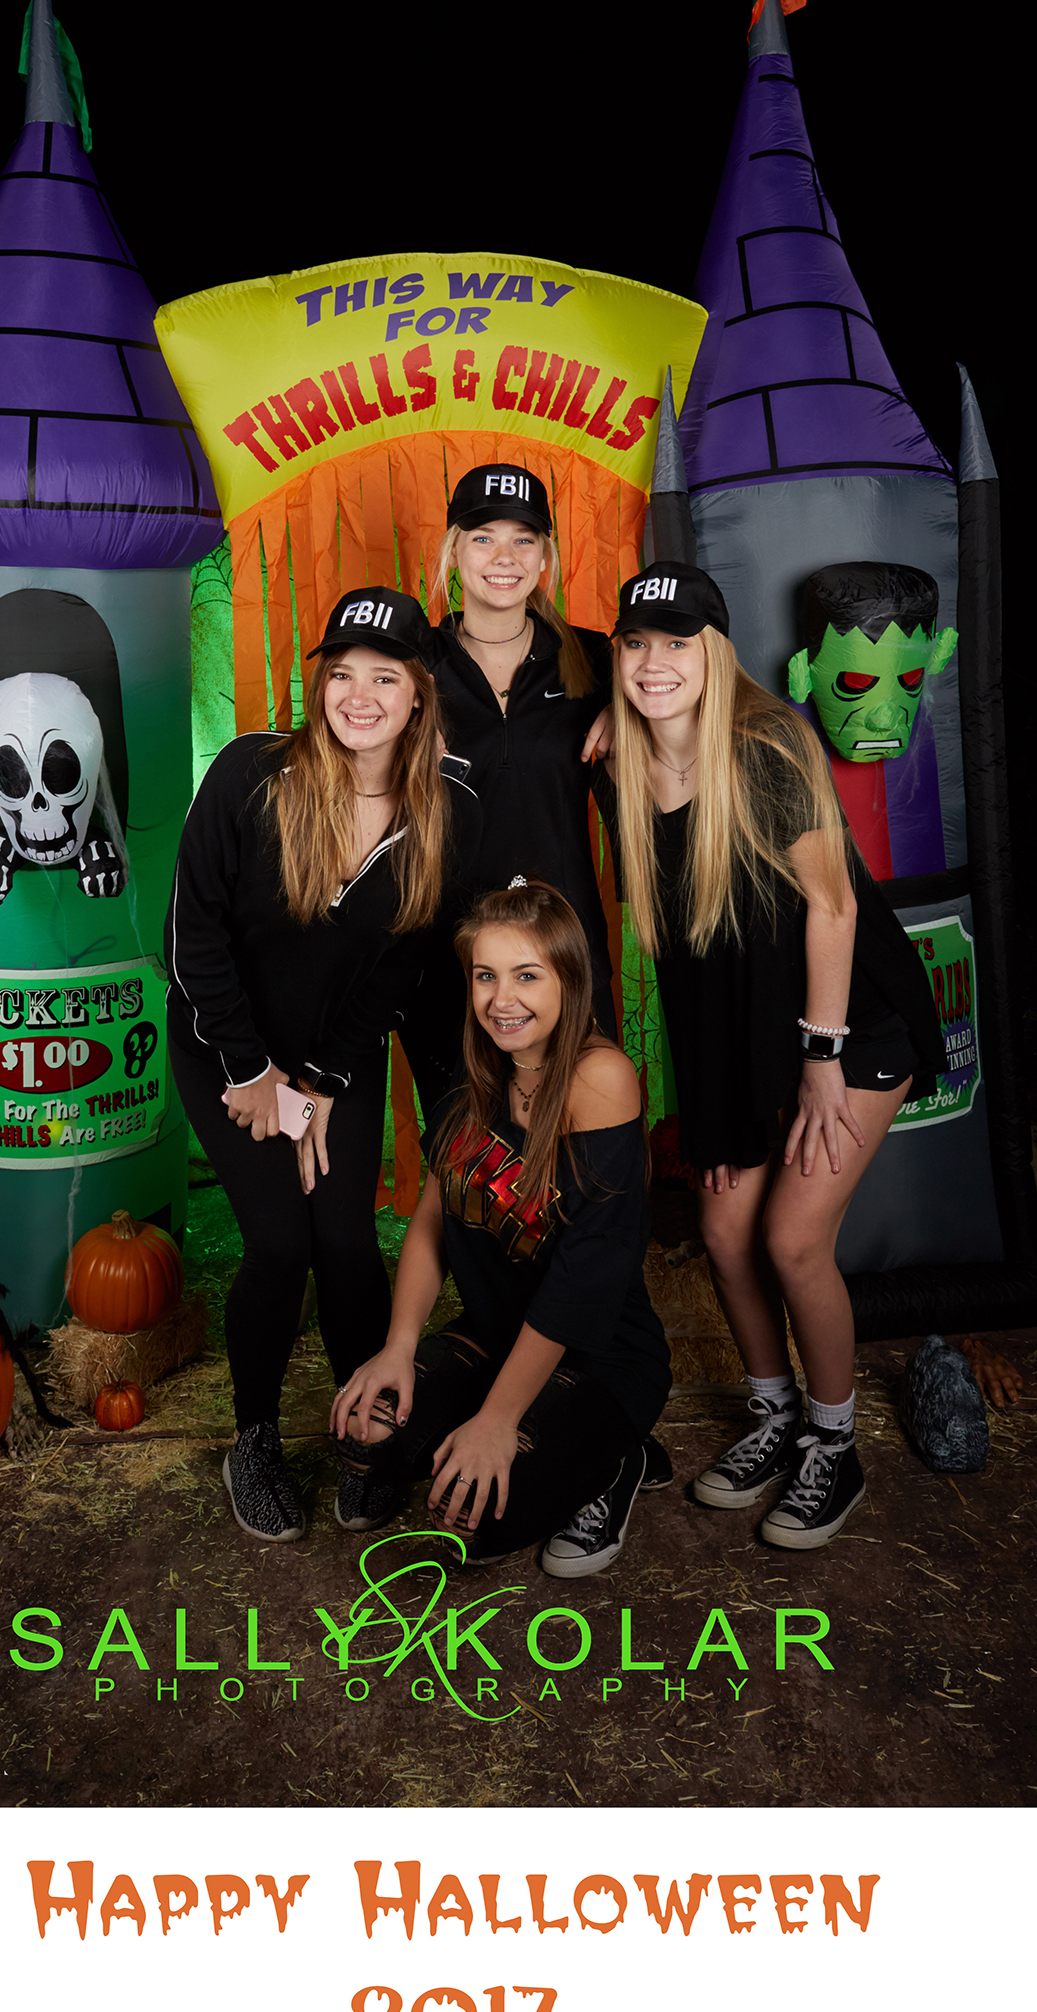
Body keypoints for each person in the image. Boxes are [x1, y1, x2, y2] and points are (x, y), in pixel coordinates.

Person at [593, 561, 947, 1551]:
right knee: (720, 1232)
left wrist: (819, 1057)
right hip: (739, 1036)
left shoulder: (764, 747)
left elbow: (832, 907)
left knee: (790, 1241)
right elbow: (697, 967)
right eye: (635, 644)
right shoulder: (618, 764)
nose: (652, 662)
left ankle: (834, 1445)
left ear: (714, 651)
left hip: (849, 1023)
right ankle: (775, 1416)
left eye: (676, 643)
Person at [165, 585, 481, 1544]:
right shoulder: (249, 773)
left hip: (332, 1058)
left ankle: (369, 1427)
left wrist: (325, 1081)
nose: (359, 696)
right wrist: (253, 1074)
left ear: (418, 692)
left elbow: (399, 967)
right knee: (279, 1244)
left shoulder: (442, 809)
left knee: (344, 1242)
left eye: (384, 677)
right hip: (224, 1047)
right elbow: (192, 937)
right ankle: (254, 1438)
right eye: (341, 674)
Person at [330, 879, 672, 1577]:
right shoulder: (479, 1070)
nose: (500, 998)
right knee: (367, 1431)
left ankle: (615, 1462)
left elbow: (581, 1277)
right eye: (485, 975)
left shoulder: (599, 1078)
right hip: (495, 1336)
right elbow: (431, 1221)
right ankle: (530, 1441)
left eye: (526, 975)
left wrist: (497, 1419)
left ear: (568, 978)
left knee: (474, 1521)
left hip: (602, 1356)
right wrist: (398, 1347)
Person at [409, 466, 616, 1094]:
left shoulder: (595, 659)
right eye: (483, 538)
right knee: (467, 1140)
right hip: (446, 951)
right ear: (452, 551)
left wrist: (630, 712)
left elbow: (692, 701)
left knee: (579, 1129)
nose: (505, 557)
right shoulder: (412, 664)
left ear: (546, 556)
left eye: (524, 539)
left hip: (564, 947)